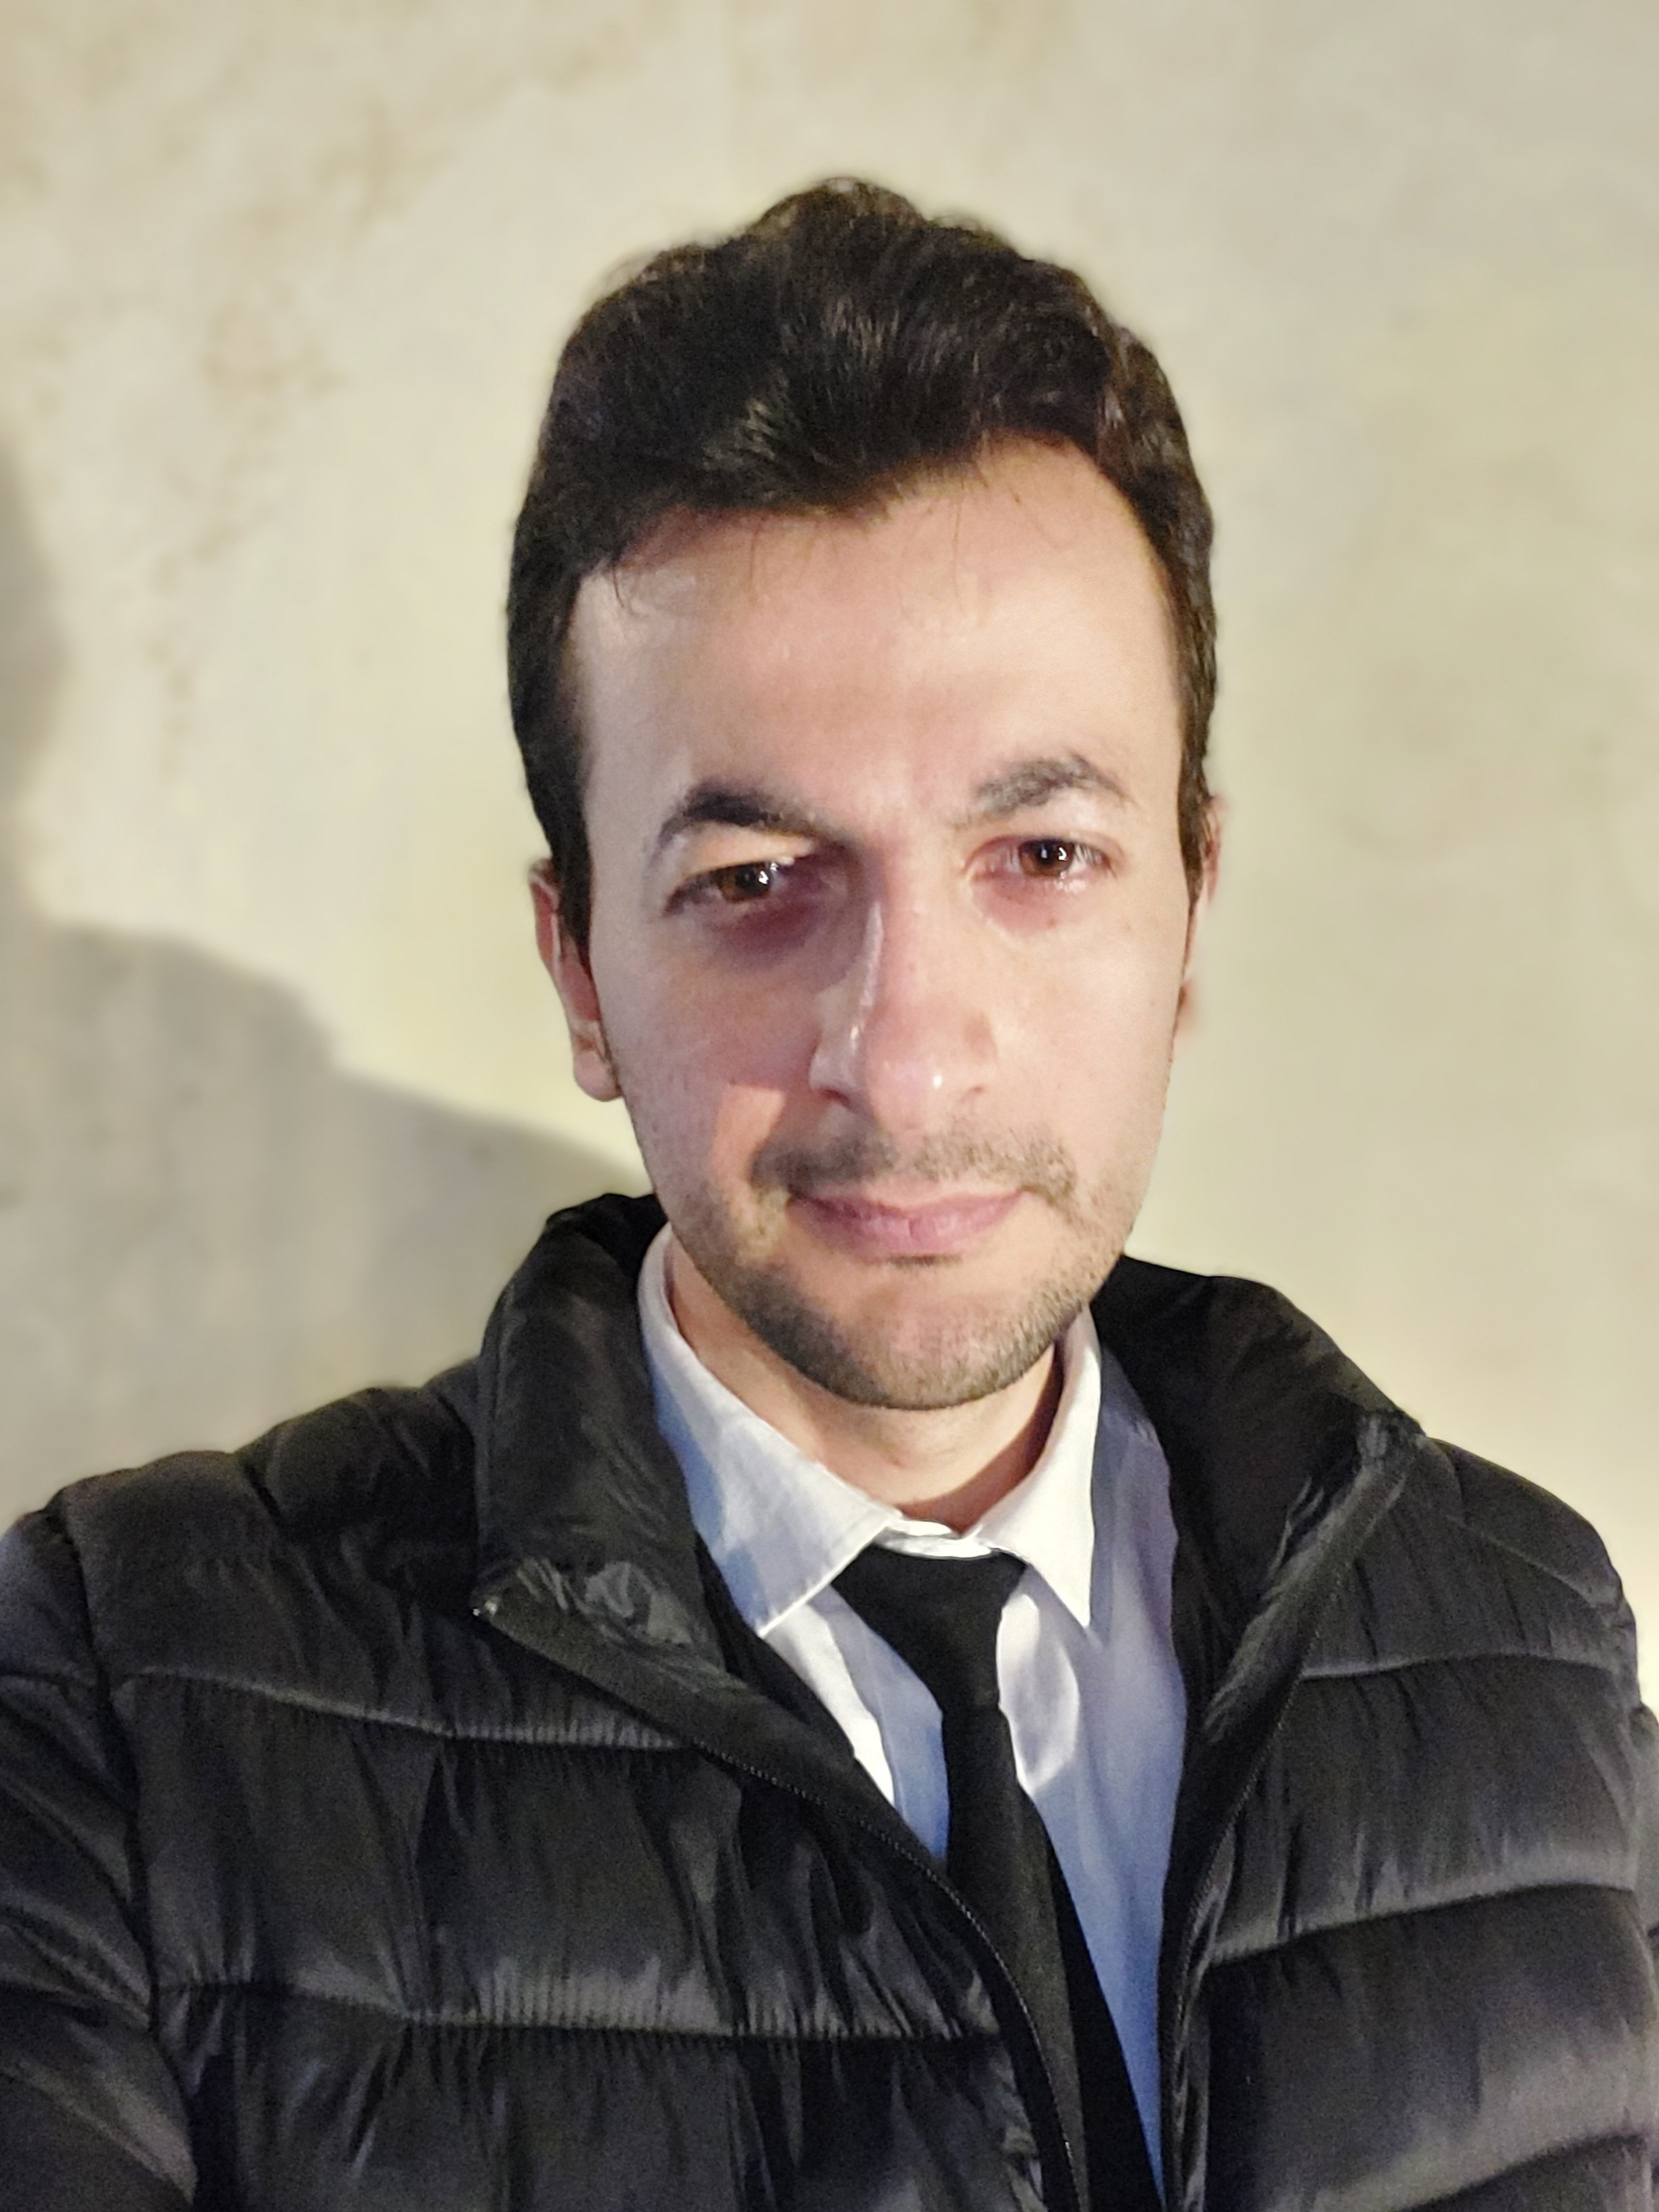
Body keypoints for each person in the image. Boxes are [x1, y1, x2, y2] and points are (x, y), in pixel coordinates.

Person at [0, 180, 1654, 2212]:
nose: (911, 1057)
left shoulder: (1529, 1640)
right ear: (580, 972)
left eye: (1042, 857)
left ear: (1191, 910)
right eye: (758, 882)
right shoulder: (121, 1697)